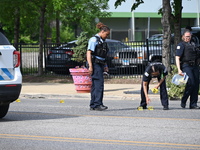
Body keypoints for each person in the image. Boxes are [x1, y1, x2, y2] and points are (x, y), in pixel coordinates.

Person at [86, 22, 110, 111]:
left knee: (96, 85)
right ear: (102, 32)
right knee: (99, 84)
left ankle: (93, 104)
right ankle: (98, 104)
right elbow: (89, 52)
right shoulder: (94, 40)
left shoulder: (102, 41)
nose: (107, 36)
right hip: (95, 64)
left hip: (100, 63)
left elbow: (103, 55)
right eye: (106, 34)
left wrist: (105, 65)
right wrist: (90, 66)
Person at [175, 30, 200, 109]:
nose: (187, 38)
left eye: (189, 36)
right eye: (186, 36)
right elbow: (177, 57)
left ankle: (193, 104)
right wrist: (179, 69)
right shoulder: (181, 45)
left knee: (196, 85)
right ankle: (184, 99)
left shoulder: (194, 44)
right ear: (183, 36)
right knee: (191, 83)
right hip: (186, 66)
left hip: (195, 66)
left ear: (191, 36)